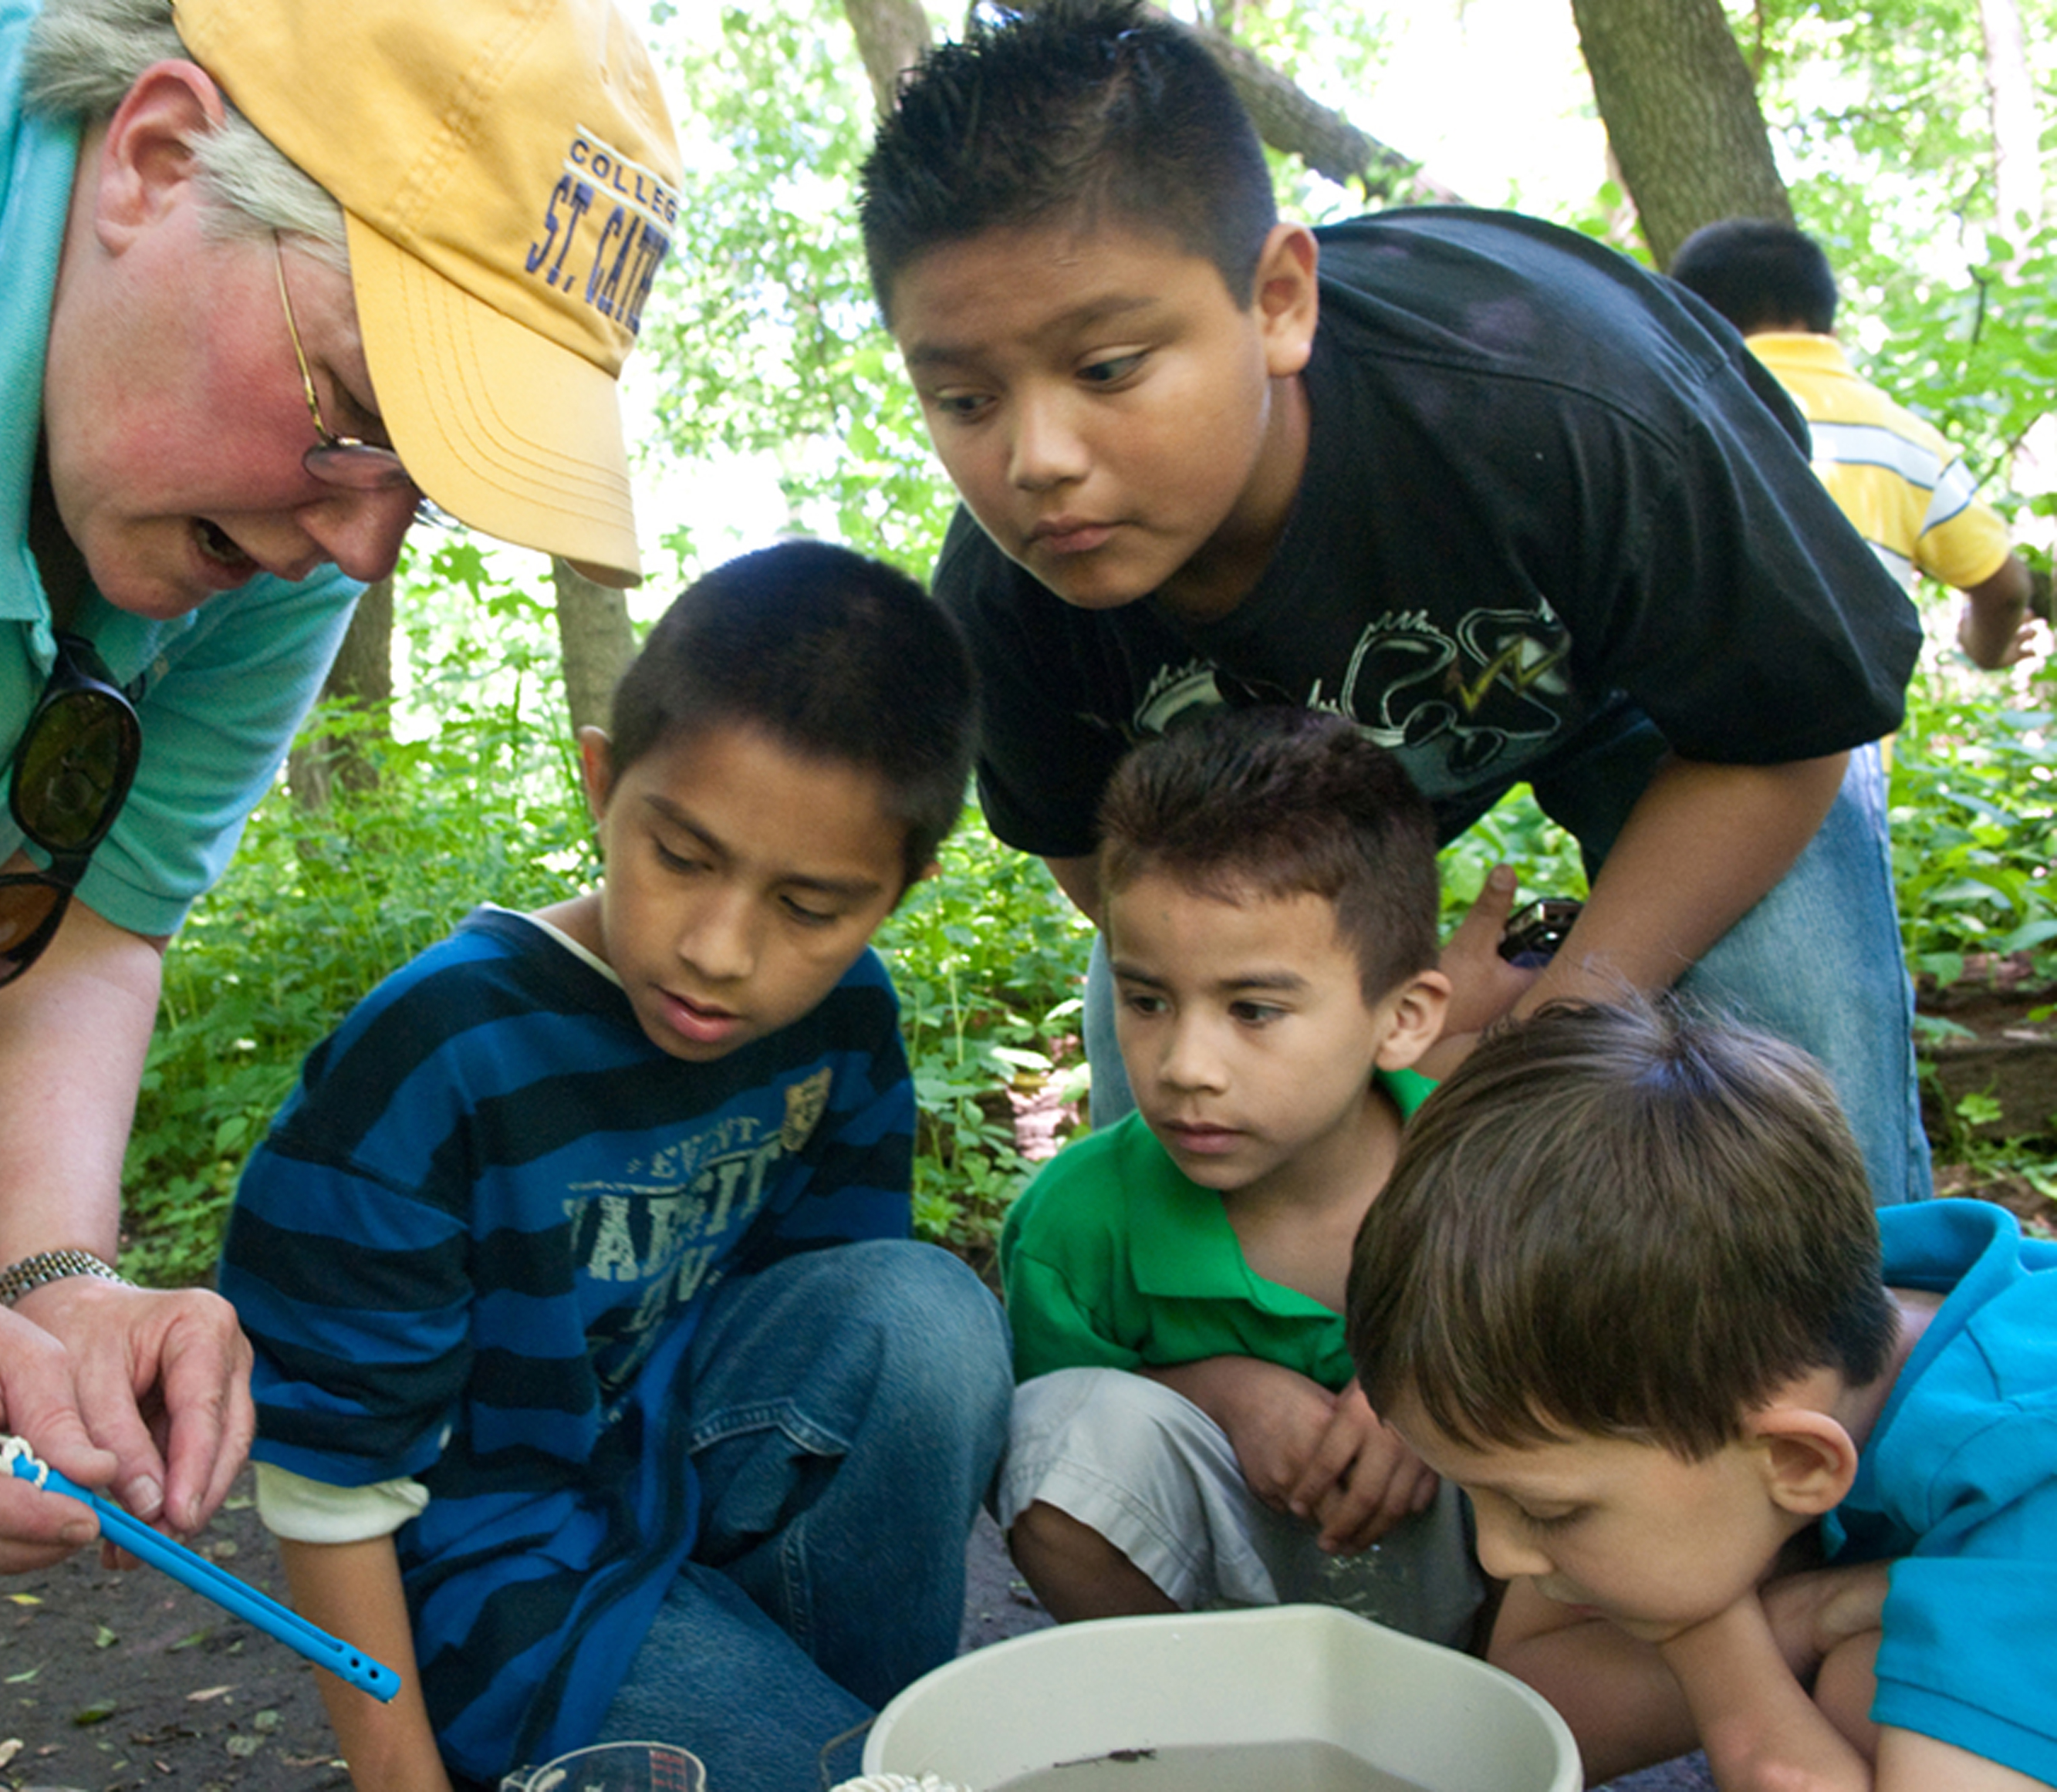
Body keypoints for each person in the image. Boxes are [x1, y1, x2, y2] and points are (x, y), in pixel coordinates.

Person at [0, 0, 680, 1780]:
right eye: (365, 413)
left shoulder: (279, 521)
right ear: (156, 155)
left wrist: (57, 1277)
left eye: (435, 482)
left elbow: (72, 915)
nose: (365, 541)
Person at [853, 0, 1932, 1211]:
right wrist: (1368, 1024)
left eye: (1106, 369)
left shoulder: (1558, 404)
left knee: (1793, 1016)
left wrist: (1555, 1013)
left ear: (1277, 303)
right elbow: (1119, 884)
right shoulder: (1012, 608)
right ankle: (1216, 1364)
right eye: (960, 399)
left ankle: (1865, 1338)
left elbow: (1785, 731)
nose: (1036, 458)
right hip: (1275, 803)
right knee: (1155, 996)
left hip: (1653, 689)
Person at [216, 541, 1013, 1792]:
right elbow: (328, 1476)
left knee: (927, 1311)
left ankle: (856, 1733)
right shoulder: (436, 1056)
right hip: (505, 1584)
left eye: (808, 908)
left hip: (683, 1481)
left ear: (893, 894)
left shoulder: (841, 1017)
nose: (718, 948)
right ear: (601, 781)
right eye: (680, 856)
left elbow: (837, 1335)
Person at [1346, 998, 2057, 1792]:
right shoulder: (1721, 1320)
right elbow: (1533, 1703)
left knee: (1869, 1677)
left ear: (1797, 1457)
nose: (1496, 1553)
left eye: (1548, 1512)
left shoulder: (2027, 1478)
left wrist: (1742, 1687)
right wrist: (1787, 1617)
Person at [995, 708, 1485, 1649]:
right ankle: (1201, 1733)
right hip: (1227, 1608)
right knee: (1053, 1427)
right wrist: (1218, 1391)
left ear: (1404, 1017)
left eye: (1253, 1009)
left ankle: (1509, 1740)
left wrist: (1435, 1400)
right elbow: (1053, 1464)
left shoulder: (1500, 1171)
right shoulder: (1077, 1224)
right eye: (1146, 1000)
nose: (1186, 1066)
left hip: (1487, 1587)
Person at [1668, 218, 2049, 672]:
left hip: (1681, 725)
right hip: (1846, 727)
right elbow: (2005, 589)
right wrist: (1985, 647)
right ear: (1827, 320)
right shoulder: (1899, 437)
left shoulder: (1667, 414)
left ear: (1688, 316)